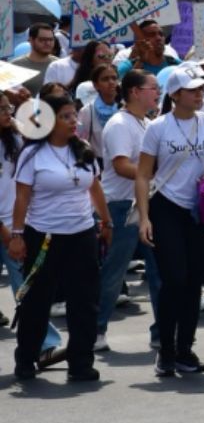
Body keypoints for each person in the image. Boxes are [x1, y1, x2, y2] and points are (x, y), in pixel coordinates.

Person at [9, 94, 112, 382]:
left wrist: (106, 221)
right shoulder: (32, 155)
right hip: (44, 238)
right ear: (49, 121)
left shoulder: (84, 150)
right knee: (36, 303)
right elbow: (22, 196)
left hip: (81, 235)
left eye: (74, 116)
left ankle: (80, 362)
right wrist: (17, 235)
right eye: (66, 116)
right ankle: (26, 358)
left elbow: (96, 189)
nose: (74, 121)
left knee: (84, 301)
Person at [136, 63, 204, 376]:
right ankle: (166, 350)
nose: (200, 93)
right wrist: (144, 217)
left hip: (198, 210)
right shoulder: (158, 127)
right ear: (175, 94)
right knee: (174, 278)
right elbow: (144, 174)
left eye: (202, 88)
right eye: (193, 89)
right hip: (165, 206)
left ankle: (185, 350)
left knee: (195, 279)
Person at [95, 69, 163, 352]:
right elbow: (122, 166)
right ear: (135, 92)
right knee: (113, 273)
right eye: (153, 87)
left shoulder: (146, 123)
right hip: (121, 207)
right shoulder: (120, 124)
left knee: (160, 272)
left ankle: (162, 331)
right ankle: (94, 329)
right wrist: (155, 174)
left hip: (146, 205)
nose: (157, 92)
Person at [0, 91, 66, 370]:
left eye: (9, 108)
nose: (8, 113)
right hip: (6, 228)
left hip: (16, 226)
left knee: (28, 288)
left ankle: (45, 345)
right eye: (2, 109)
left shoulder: (16, 141)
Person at [76, 63, 120, 165]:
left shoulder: (124, 108)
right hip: (98, 164)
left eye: (114, 78)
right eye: (105, 79)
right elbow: (81, 142)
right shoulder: (87, 111)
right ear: (96, 85)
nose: (111, 82)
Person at [13, 22, 58, 92]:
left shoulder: (59, 64)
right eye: (43, 40)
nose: (48, 43)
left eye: (51, 39)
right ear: (31, 40)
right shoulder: (16, 65)